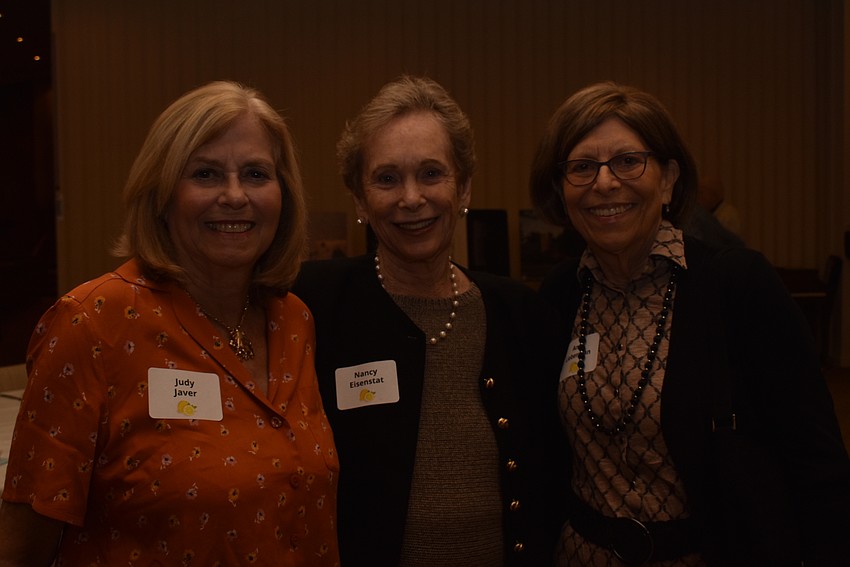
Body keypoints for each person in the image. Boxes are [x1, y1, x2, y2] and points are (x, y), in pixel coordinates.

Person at [0, 81, 340, 566]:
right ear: (161, 193)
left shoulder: (294, 321)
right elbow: (21, 551)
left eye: (256, 173)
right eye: (205, 173)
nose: (234, 195)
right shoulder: (94, 323)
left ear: (283, 194)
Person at [529, 81, 850, 566]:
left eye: (627, 161)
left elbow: (817, 462)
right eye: (581, 167)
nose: (604, 183)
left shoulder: (737, 286)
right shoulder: (560, 294)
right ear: (561, 190)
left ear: (668, 179)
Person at [292, 75, 568, 566]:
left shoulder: (518, 314)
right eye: (386, 178)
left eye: (431, 173)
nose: (411, 198)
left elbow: (551, 471)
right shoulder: (311, 304)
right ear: (359, 199)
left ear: (463, 188)